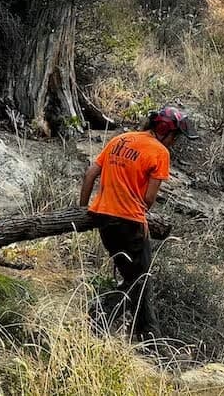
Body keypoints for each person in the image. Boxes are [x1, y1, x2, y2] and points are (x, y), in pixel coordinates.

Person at [79, 106, 199, 341]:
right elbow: (149, 198)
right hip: (130, 224)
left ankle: (149, 340)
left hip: (104, 221)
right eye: (175, 137)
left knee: (138, 280)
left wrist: (82, 211)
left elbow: (90, 174)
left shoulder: (121, 139)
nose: (174, 142)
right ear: (165, 131)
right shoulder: (160, 152)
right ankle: (99, 314)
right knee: (139, 283)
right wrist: (140, 214)